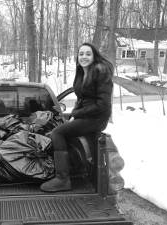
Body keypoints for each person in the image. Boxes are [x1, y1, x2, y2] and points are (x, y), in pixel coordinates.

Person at [40, 42, 114, 192]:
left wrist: (77, 114)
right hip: (88, 116)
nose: (84, 57)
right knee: (70, 135)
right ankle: (96, 180)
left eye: (88, 54)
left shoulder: (101, 73)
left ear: (94, 56)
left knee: (57, 133)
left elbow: (103, 105)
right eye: (81, 54)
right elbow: (81, 99)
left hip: (97, 118)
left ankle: (62, 179)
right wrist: (73, 115)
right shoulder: (82, 72)